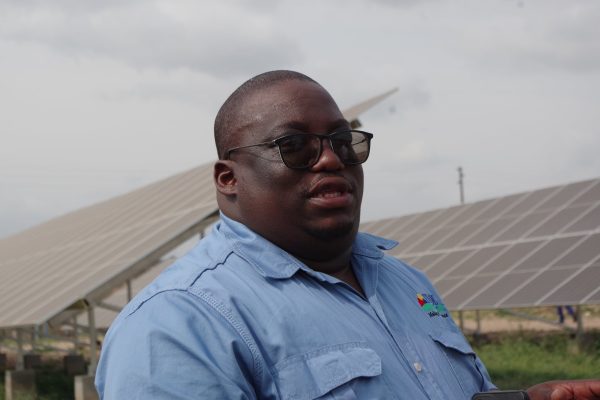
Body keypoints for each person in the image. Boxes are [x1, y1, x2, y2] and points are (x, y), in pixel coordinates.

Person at [95, 70, 600, 399]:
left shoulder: (406, 283)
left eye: (342, 142)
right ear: (228, 179)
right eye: (294, 145)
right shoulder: (177, 323)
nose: (331, 159)